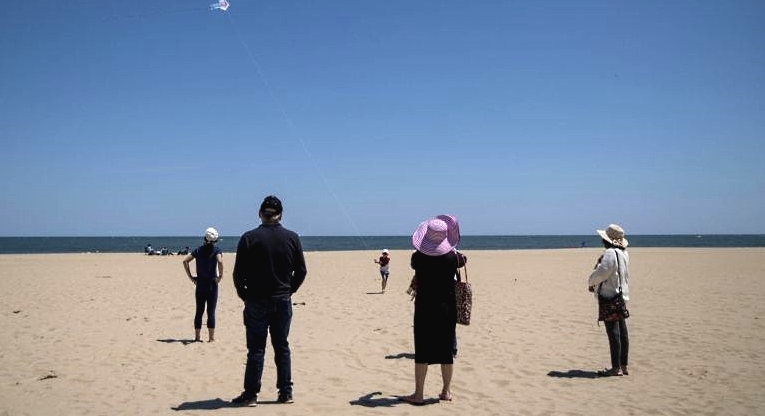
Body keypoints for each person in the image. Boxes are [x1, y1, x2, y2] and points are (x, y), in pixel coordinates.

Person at [231, 195, 307, 407]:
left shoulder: (249, 238)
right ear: (280, 214)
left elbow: (237, 274)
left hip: (258, 299)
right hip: (280, 299)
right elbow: (301, 271)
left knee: (257, 349)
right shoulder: (291, 237)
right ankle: (285, 392)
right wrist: (289, 290)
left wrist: (244, 294)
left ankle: (251, 394)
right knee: (281, 346)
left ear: (260, 213)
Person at [400, 214, 466, 405]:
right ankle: (446, 391)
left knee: (422, 350)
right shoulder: (454, 258)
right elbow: (463, 259)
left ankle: (418, 394)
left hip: (424, 308)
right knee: (446, 352)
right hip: (447, 308)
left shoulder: (417, 258)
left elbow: (415, 263)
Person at [587, 224, 631, 377]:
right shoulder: (624, 253)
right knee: (622, 332)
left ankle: (616, 367)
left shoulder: (611, 254)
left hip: (610, 296)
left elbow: (602, 273)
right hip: (621, 295)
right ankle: (623, 365)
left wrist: (590, 281)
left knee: (614, 333)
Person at [182, 227, 224, 342]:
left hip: (200, 284)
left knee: (199, 311)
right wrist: (220, 276)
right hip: (212, 284)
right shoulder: (216, 250)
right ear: (215, 241)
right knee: (211, 311)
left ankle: (197, 337)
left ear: (205, 238)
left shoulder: (198, 250)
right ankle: (211, 338)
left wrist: (191, 277)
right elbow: (220, 261)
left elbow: (185, 261)